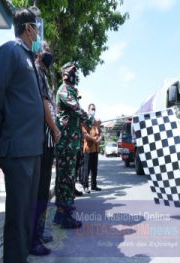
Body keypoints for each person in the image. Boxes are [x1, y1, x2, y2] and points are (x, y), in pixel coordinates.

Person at [0, 8, 45, 263]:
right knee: (17, 215)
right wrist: (0, 139)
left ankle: (20, 257)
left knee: (26, 214)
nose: (39, 32)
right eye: (37, 26)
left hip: (33, 149)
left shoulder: (30, 58)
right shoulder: (10, 51)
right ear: (28, 28)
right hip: (17, 149)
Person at [30, 41, 61, 256]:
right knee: (39, 191)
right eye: (46, 49)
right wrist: (55, 129)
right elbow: (43, 105)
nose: (49, 53)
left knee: (43, 190)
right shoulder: (37, 72)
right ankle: (33, 238)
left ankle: (39, 232)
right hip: (43, 140)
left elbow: (50, 104)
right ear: (38, 52)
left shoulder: (43, 74)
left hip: (48, 141)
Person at [53, 63, 92, 228]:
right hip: (66, 143)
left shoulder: (69, 90)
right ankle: (66, 216)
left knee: (64, 179)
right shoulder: (64, 90)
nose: (74, 75)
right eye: (71, 72)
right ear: (64, 74)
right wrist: (88, 118)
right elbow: (76, 109)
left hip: (70, 142)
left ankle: (60, 214)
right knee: (67, 179)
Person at [81, 104, 102, 192]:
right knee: (87, 169)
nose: (93, 110)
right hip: (88, 149)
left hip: (96, 148)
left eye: (94, 109)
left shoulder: (96, 122)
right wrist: (93, 139)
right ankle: (86, 186)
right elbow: (85, 134)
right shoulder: (85, 121)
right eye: (92, 109)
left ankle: (94, 185)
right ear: (88, 110)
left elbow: (100, 134)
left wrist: (99, 139)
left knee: (94, 169)